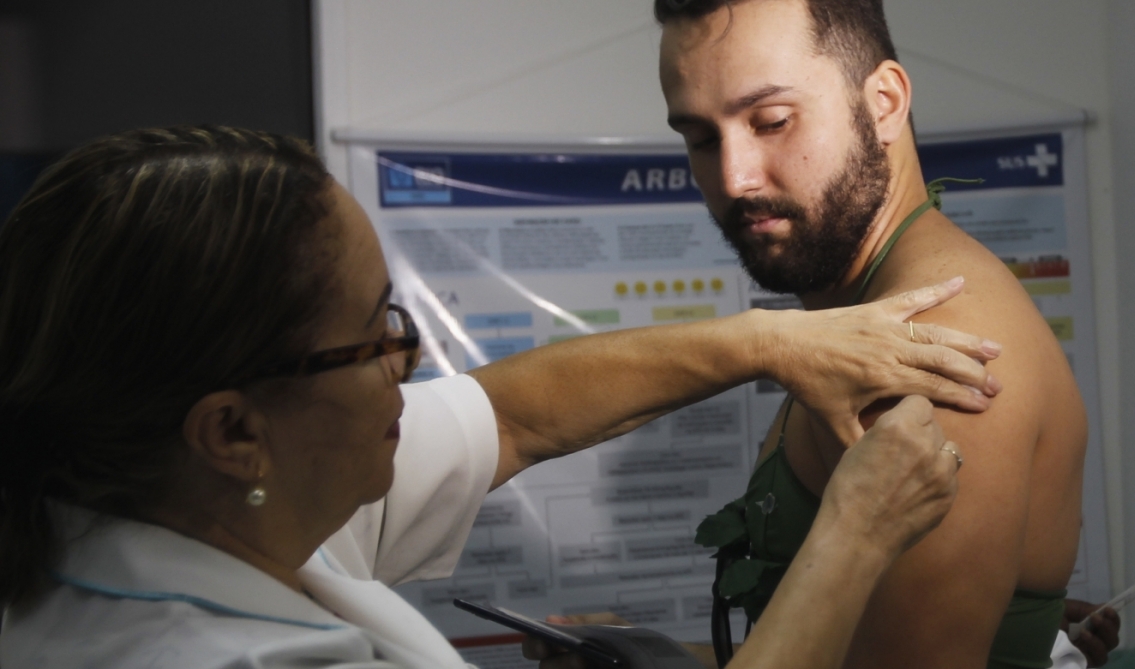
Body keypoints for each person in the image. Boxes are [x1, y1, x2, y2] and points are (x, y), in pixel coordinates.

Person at [0, 126, 997, 668]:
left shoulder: (192, 504)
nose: (409, 356)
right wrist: (855, 537)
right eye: (373, 336)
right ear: (232, 432)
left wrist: (772, 340)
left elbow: (512, 413)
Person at [647, 1, 1090, 668]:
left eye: (772, 121)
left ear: (884, 102)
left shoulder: (936, 340)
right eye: (702, 138)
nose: (735, 177)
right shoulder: (860, 324)